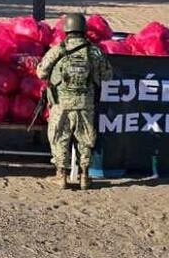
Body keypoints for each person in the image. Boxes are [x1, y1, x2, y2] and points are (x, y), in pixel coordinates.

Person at [37, 13, 113, 190]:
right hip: (85, 103)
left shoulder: (58, 50)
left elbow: (41, 73)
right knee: (85, 139)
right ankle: (85, 176)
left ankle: (61, 176)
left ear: (67, 29)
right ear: (83, 29)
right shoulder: (94, 51)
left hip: (61, 104)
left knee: (59, 137)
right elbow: (107, 76)